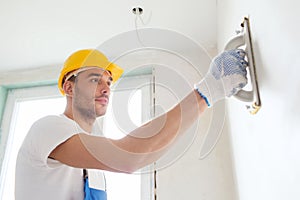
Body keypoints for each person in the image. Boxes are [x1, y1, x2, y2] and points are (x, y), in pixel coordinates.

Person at [15, 48, 248, 200]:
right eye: (95, 79)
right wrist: (207, 91)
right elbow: (128, 157)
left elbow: (141, 152)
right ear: (69, 87)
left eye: (109, 81)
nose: (106, 88)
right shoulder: (48, 128)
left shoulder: (92, 167)